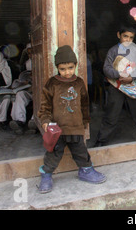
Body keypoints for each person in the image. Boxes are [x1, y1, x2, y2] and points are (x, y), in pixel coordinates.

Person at [37, 45, 106, 194]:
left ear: (75, 65)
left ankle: (86, 170)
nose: (67, 72)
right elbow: (45, 106)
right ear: (57, 68)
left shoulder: (79, 83)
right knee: (54, 153)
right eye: (63, 69)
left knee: (81, 150)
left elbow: (84, 104)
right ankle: (46, 175)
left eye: (70, 67)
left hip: (75, 126)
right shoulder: (52, 83)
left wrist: (85, 122)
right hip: (57, 128)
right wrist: (45, 121)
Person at [94, 25, 136, 147]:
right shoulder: (113, 51)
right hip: (116, 87)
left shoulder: (135, 50)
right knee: (111, 115)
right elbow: (106, 68)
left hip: (132, 87)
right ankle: (102, 141)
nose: (128, 40)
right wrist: (119, 74)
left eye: (131, 38)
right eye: (125, 36)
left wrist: (131, 77)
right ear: (119, 35)